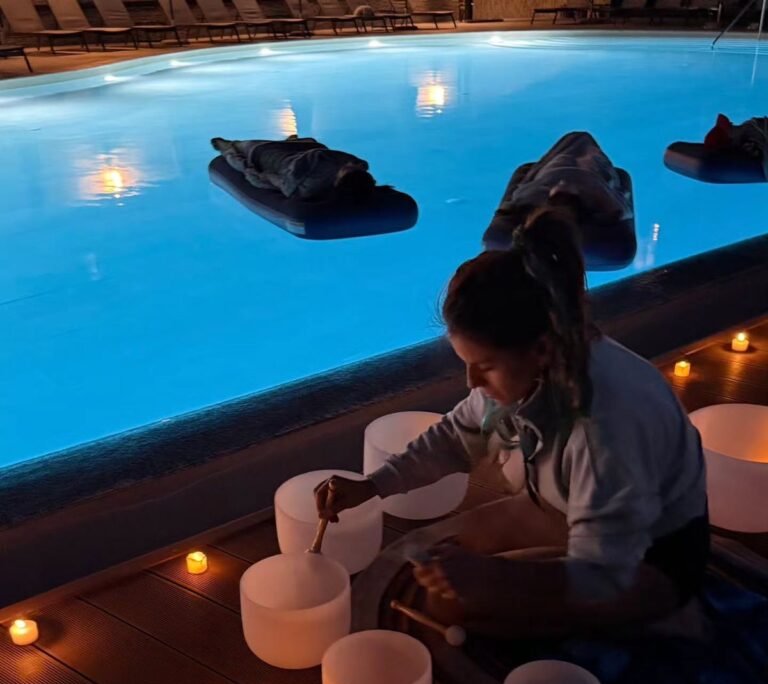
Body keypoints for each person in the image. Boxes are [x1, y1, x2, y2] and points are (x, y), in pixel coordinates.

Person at [314, 206, 709, 640]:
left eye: (484, 366)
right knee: (441, 567)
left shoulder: (604, 429)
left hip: (647, 557)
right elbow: (454, 438)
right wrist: (372, 486)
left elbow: (605, 573)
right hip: (564, 510)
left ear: (540, 349)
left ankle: (668, 613)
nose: (471, 381)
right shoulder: (538, 359)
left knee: (461, 606)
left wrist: (497, 579)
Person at [494, 131, 632, 231]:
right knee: (584, 146)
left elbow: (515, 198)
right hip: (581, 170)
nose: (562, 183)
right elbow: (621, 207)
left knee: (574, 147)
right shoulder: (596, 193)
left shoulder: (530, 197)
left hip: (559, 166)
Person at [211, 134, 377, 201]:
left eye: (349, 169)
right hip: (303, 150)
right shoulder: (355, 165)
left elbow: (266, 179)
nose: (350, 165)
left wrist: (256, 175)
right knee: (312, 143)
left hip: (266, 154)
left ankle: (226, 147)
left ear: (340, 180)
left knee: (242, 153)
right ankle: (291, 142)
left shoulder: (302, 186)